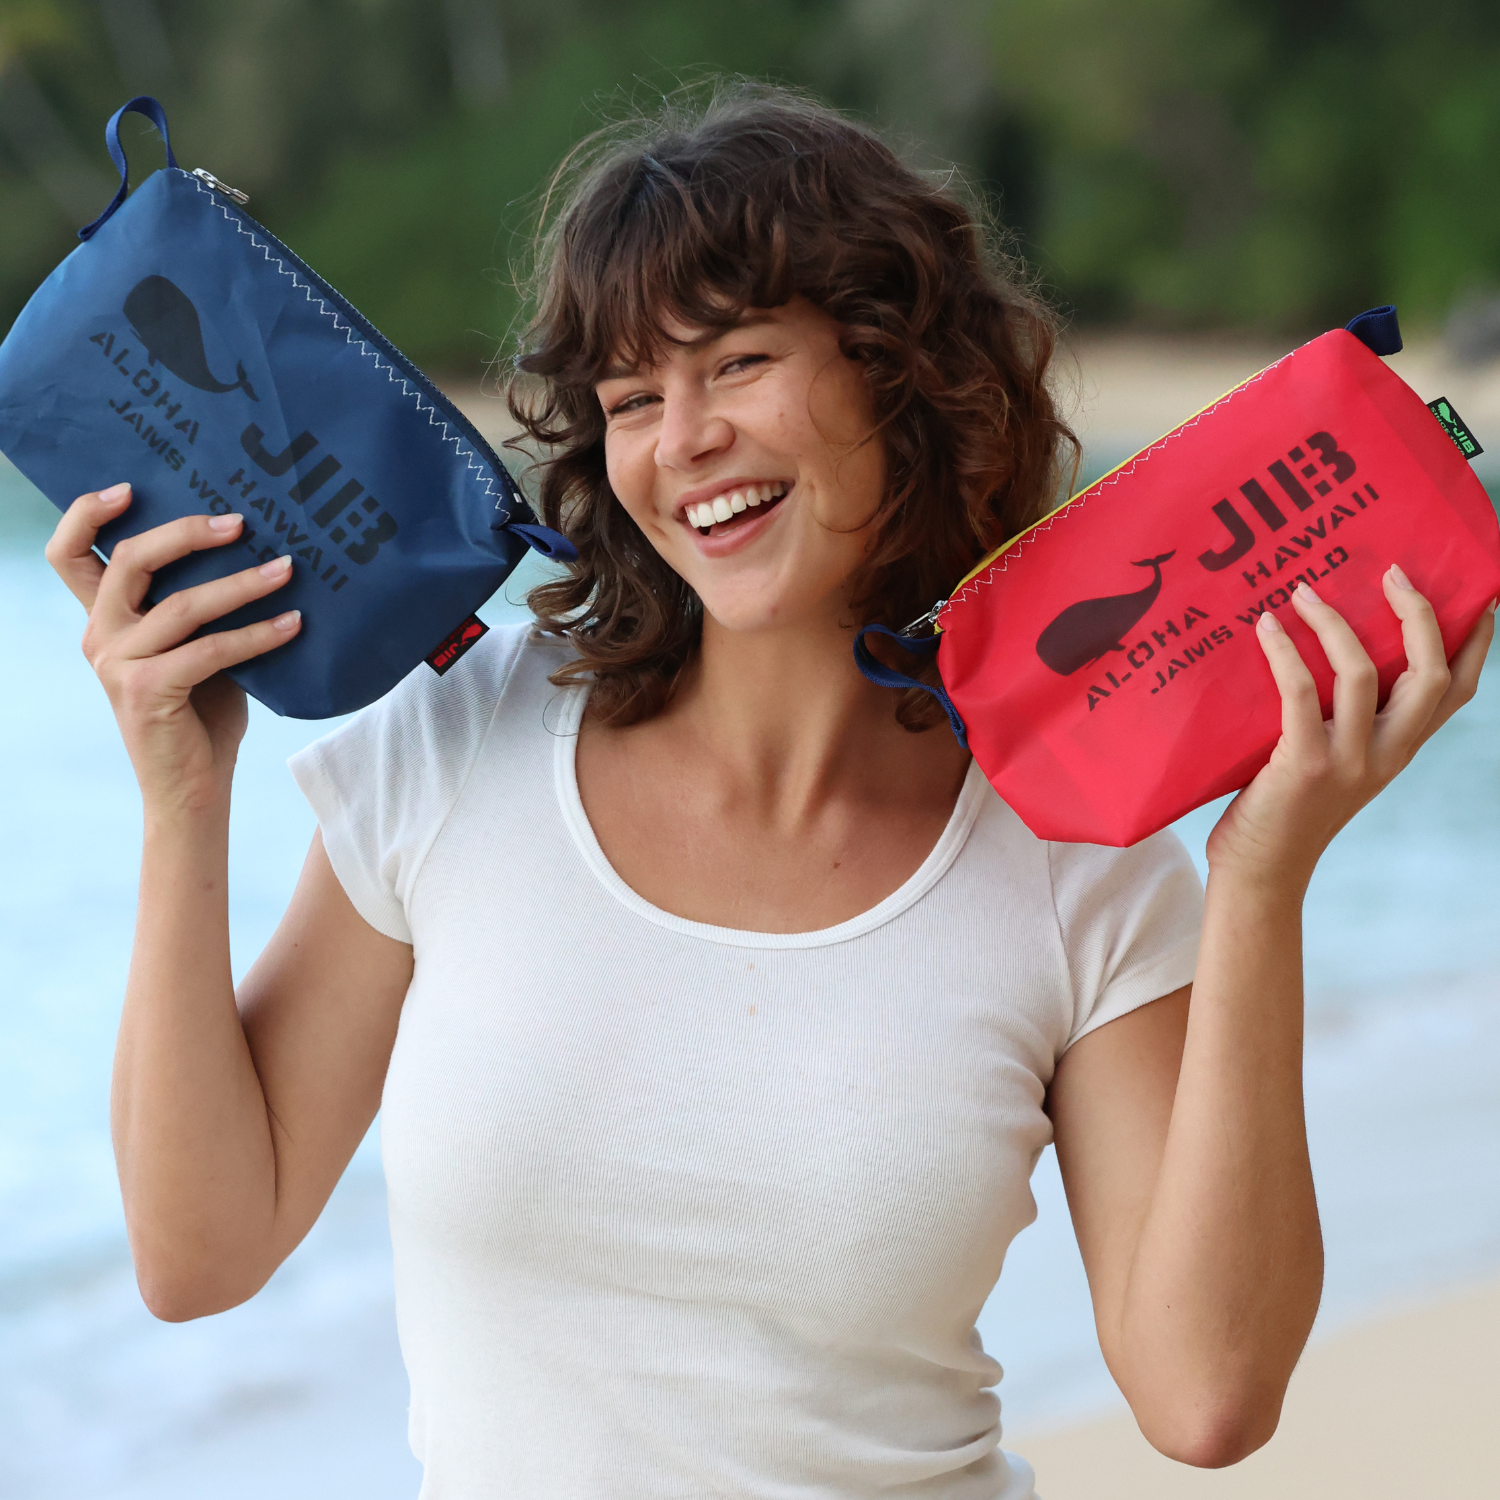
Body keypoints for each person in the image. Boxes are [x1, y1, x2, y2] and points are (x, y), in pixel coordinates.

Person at [44, 84, 1493, 1499]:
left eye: (738, 362)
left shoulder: (1071, 857)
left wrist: (1262, 879)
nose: (683, 441)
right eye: (630, 397)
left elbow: (1206, 1398)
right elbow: (200, 1254)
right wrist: (184, 797)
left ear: (896, 372)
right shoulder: (458, 744)